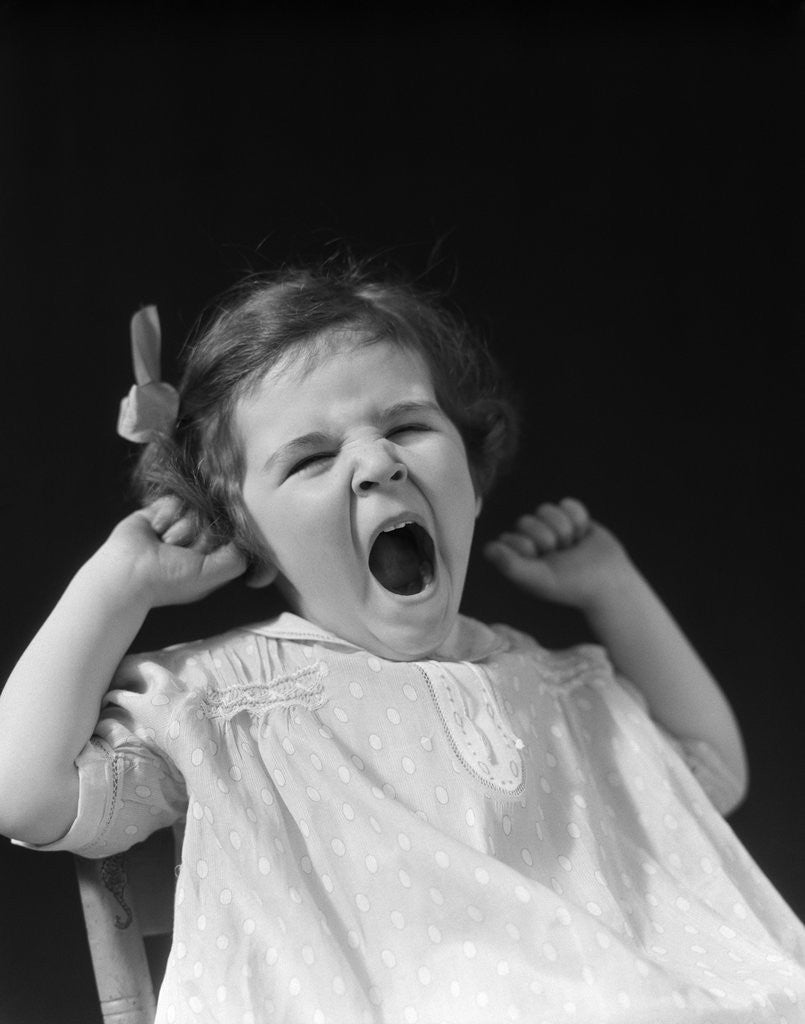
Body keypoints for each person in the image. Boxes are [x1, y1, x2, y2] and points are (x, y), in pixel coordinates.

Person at [0, 263, 803, 1024]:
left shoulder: (557, 693)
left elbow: (711, 772)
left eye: (408, 425)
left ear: (473, 477)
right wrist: (117, 587)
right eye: (311, 459)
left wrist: (614, 587)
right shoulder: (229, 710)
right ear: (241, 532)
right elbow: (22, 792)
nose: (376, 463)